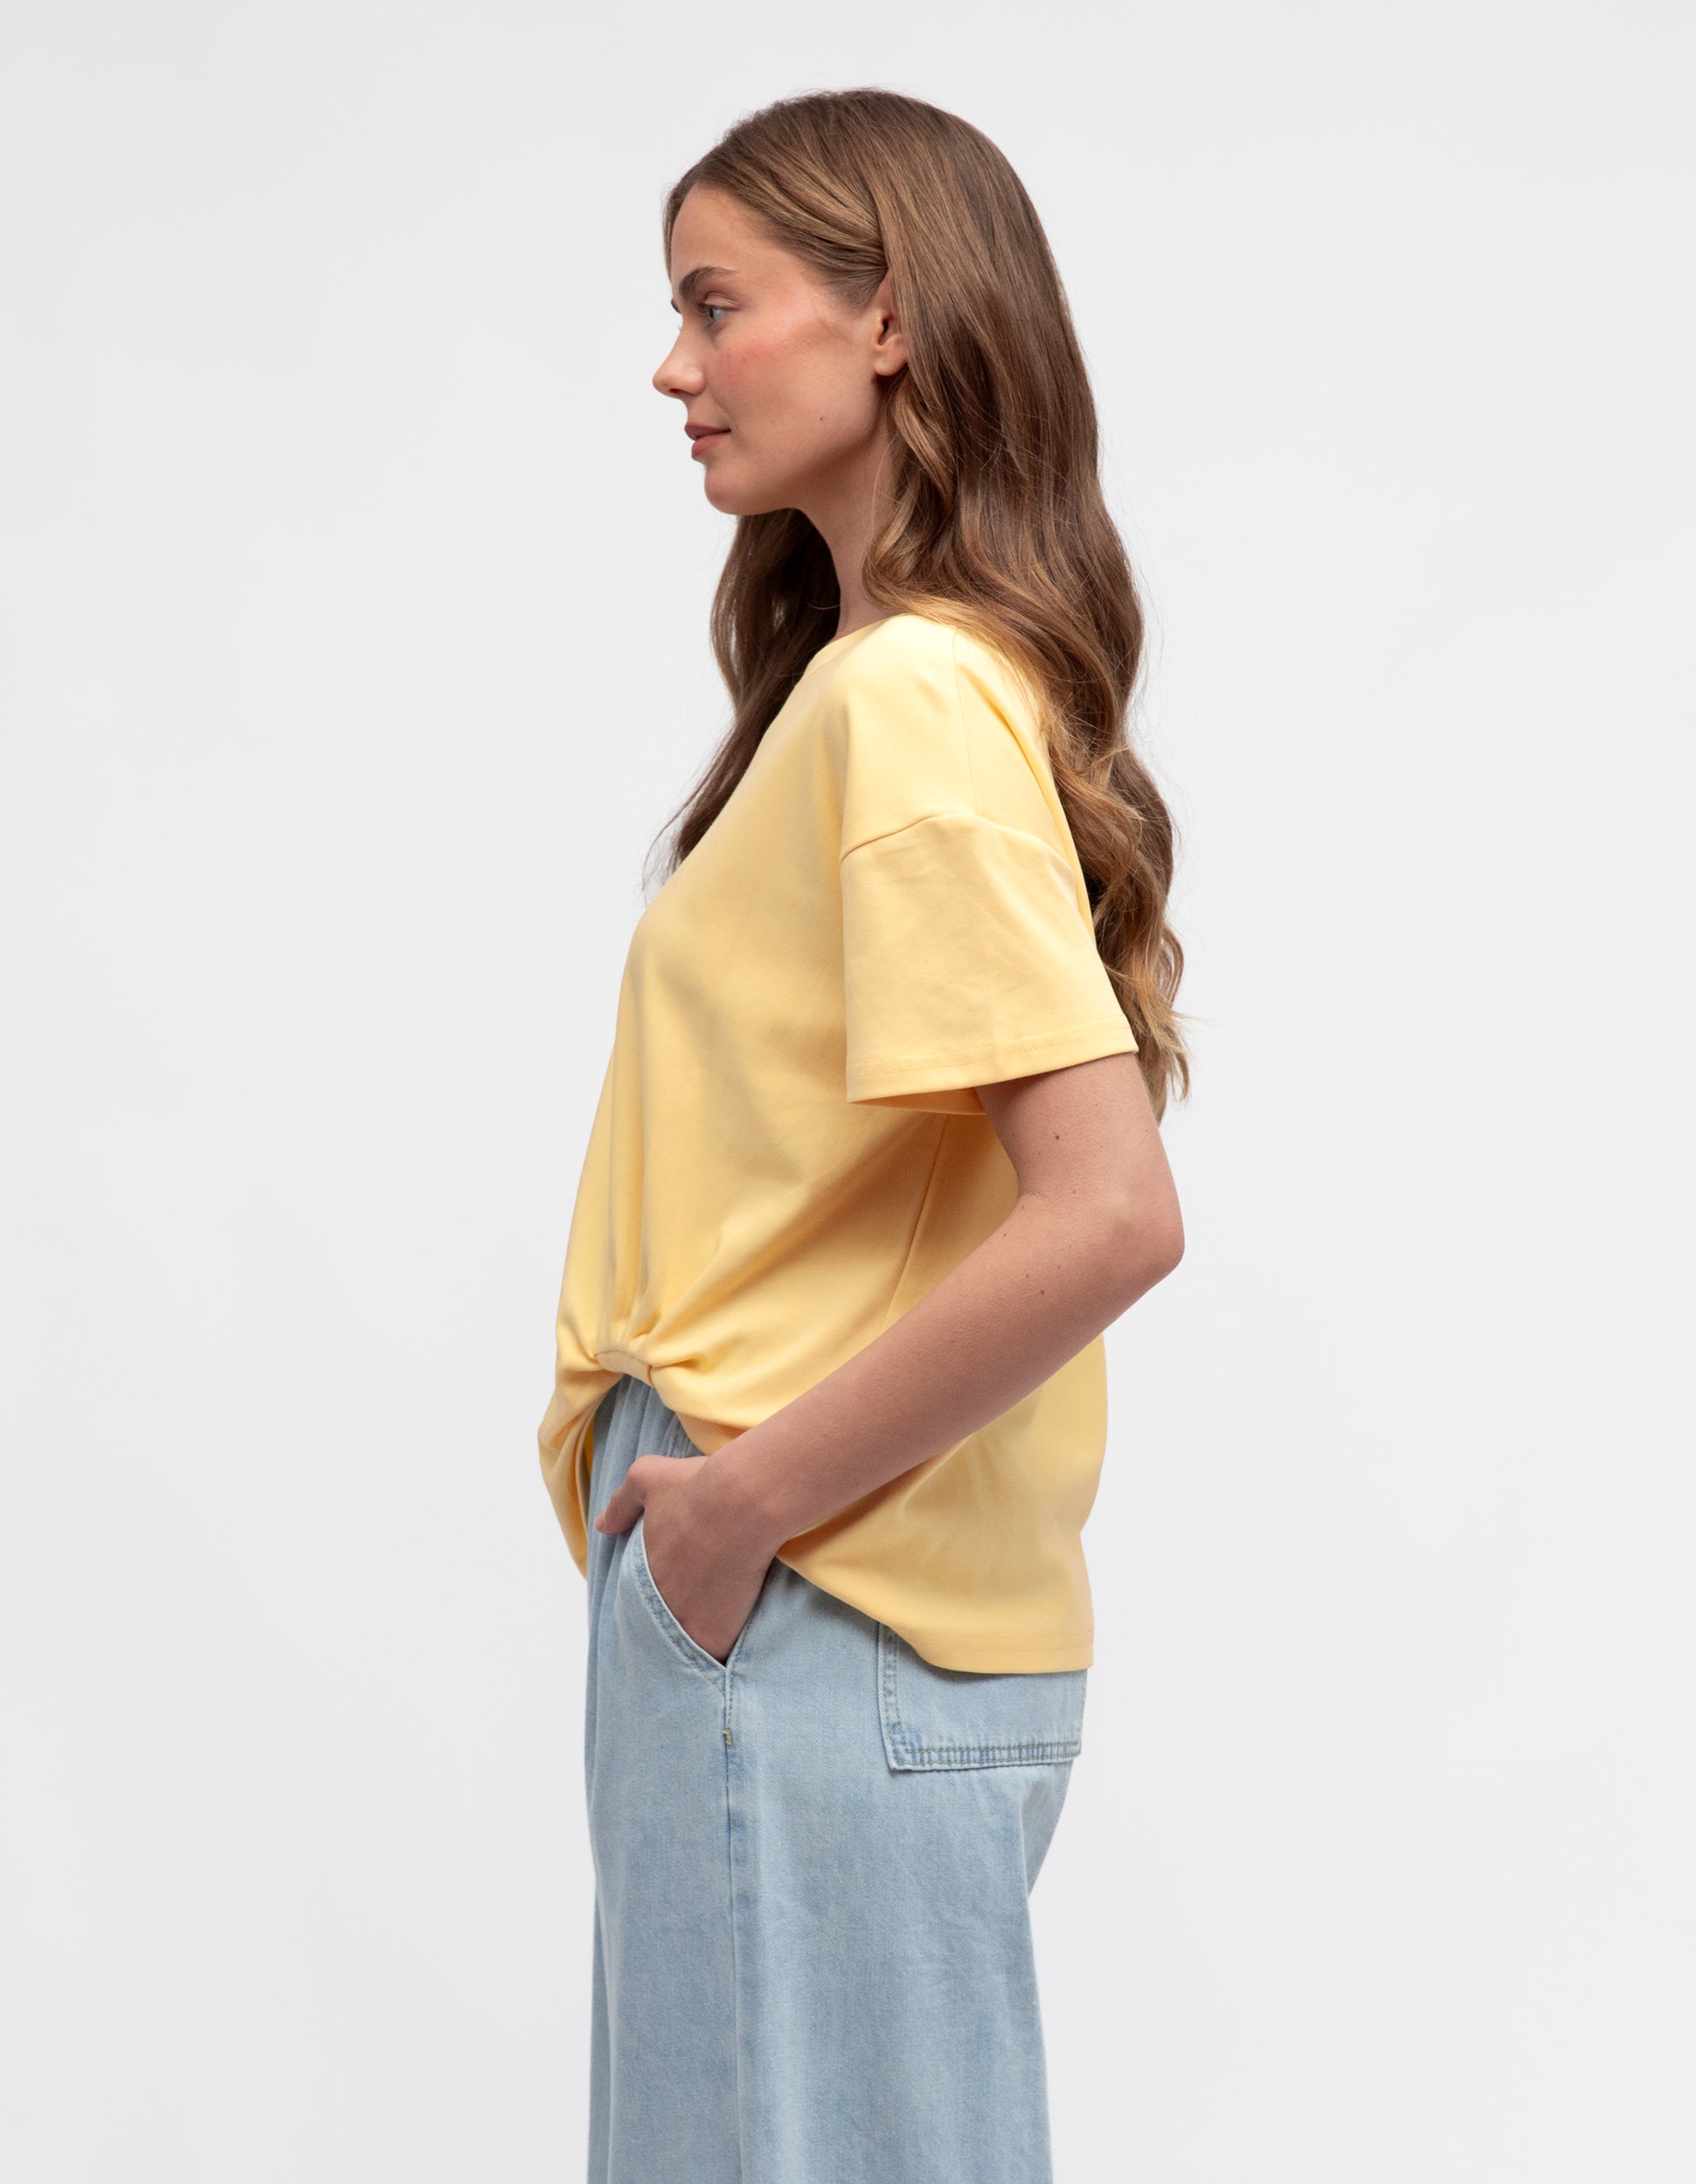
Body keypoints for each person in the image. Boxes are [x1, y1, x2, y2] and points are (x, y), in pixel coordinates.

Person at [537, 86, 1189, 2184]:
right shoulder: (913, 688)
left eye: (716, 305)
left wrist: (737, 1506)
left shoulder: (903, 699)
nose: (674, 367)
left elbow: (1108, 1211)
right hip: (849, 1609)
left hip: (806, 1599)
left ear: (888, 316)